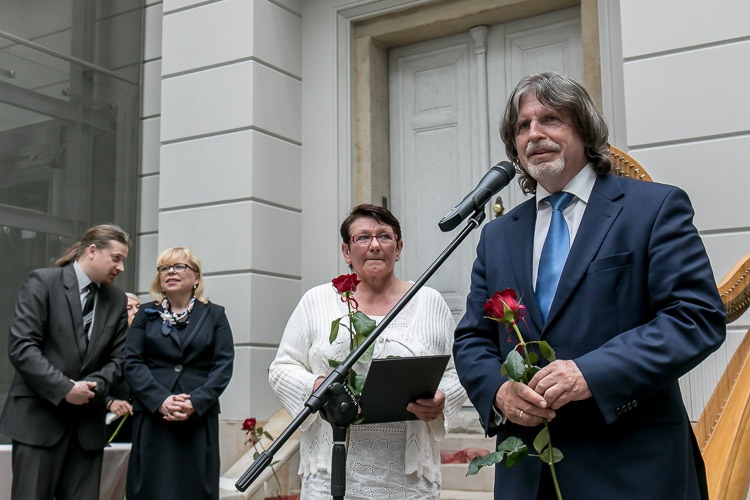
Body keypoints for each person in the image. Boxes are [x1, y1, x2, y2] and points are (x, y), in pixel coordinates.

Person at [453, 72, 726, 499]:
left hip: (633, 472)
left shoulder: (654, 208)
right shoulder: (498, 235)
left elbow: (696, 318)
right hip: (528, 477)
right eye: (523, 126)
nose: (534, 134)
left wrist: (590, 373)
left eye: (550, 119)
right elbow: (473, 337)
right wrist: (499, 392)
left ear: (584, 128)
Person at [269, 204, 467, 499]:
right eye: (362, 237)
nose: (374, 245)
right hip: (331, 475)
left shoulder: (429, 302)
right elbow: (282, 367)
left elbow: (458, 370)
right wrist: (317, 386)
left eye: (384, 236)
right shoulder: (316, 301)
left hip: (407, 481)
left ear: (398, 248)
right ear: (346, 251)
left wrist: (442, 400)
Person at [0, 224, 131, 500]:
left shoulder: (117, 300)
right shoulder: (43, 282)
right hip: (38, 423)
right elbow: (22, 347)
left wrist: (91, 388)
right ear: (92, 251)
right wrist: (65, 388)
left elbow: (119, 359)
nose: (120, 268)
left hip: (87, 431)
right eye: (116, 258)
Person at [123, 246, 234, 500]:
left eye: (179, 266)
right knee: (152, 488)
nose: (170, 272)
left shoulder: (215, 315)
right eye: (164, 268)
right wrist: (160, 400)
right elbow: (132, 361)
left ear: (196, 277)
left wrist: (195, 401)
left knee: (194, 489)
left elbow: (223, 364)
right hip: (154, 416)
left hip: (197, 417)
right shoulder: (145, 315)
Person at [105, 292, 141, 442]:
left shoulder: (150, 343)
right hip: (110, 421)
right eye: (129, 308)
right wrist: (109, 402)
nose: (136, 312)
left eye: (138, 307)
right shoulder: (105, 344)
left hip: (140, 421)